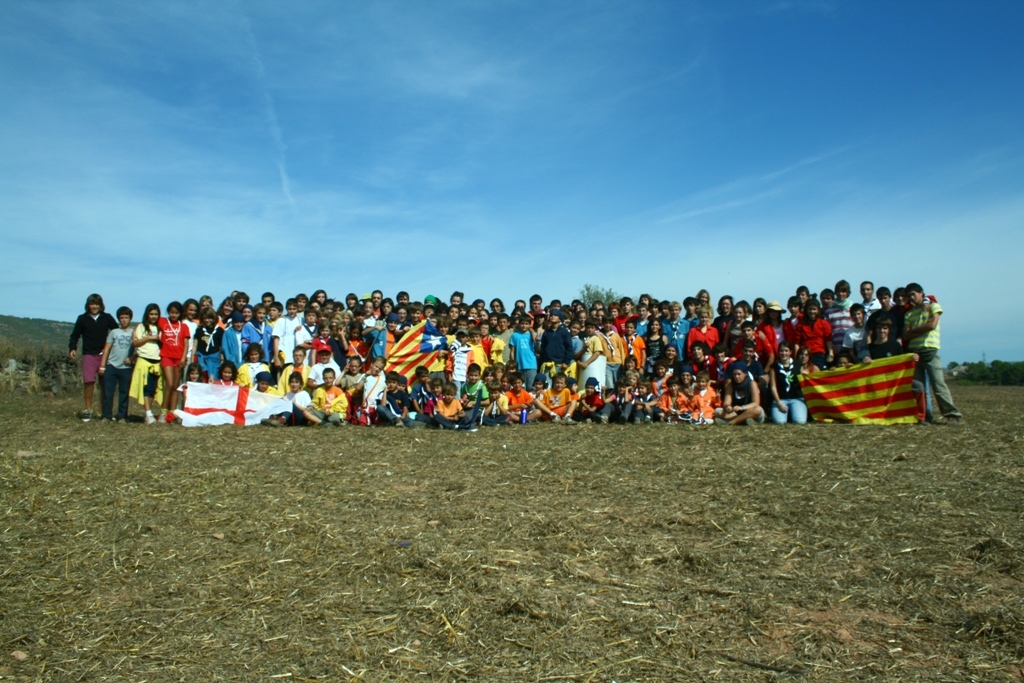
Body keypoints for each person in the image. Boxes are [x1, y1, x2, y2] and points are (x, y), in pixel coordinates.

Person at [902, 283, 962, 423]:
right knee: (919, 388)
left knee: (938, 384)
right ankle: (924, 416)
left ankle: (952, 414)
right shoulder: (909, 313)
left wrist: (914, 330)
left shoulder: (933, 306)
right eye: (909, 295)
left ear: (921, 293)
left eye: (913, 294)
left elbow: (933, 325)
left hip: (930, 351)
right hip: (915, 353)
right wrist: (924, 328)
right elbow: (905, 335)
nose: (911, 297)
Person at [68, 293, 118, 420]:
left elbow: (116, 331)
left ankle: (104, 411)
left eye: (97, 304)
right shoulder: (82, 318)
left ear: (101, 305)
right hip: (88, 354)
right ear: (88, 305)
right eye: (92, 304)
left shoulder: (107, 318)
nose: (94, 306)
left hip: (104, 355)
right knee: (89, 382)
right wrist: (72, 348)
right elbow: (75, 335)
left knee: (105, 383)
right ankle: (88, 409)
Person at [97, 305, 134, 422]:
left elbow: (139, 349)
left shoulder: (134, 332)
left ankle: (122, 416)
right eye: (121, 317)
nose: (124, 320)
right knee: (108, 392)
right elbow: (107, 348)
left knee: (124, 393)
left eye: (126, 317)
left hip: (126, 367)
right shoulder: (114, 332)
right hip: (111, 365)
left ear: (130, 318)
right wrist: (103, 366)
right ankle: (106, 415)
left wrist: (132, 358)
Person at [129, 303, 164, 424]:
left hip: (157, 361)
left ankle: (148, 413)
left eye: (156, 314)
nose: (153, 316)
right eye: (151, 314)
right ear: (147, 314)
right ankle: (148, 413)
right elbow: (135, 343)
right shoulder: (140, 326)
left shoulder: (160, 327)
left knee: (153, 388)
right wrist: (149, 338)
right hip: (144, 360)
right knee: (145, 388)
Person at [715, 361, 765, 425]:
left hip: (750, 411)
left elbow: (756, 403)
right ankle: (743, 420)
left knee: (758, 409)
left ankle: (732, 422)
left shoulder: (752, 383)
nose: (736, 377)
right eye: (734, 374)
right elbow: (727, 402)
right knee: (717, 411)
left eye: (739, 374)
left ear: (745, 374)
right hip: (736, 413)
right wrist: (728, 407)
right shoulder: (731, 385)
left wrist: (742, 407)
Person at [769, 342, 807, 425]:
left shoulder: (798, 364)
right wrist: (778, 402)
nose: (784, 353)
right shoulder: (774, 367)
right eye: (781, 351)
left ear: (790, 352)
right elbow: (773, 387)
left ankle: (792, 412)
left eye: (786, 351)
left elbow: (807, 377)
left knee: (800, 421)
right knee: (779, 422)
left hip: (797, 398)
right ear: (778, 352)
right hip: (781, 399)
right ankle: (787, 414)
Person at [577, 320, 607, 392]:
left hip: (592, 366)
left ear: (595, 329)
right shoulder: (582, 339)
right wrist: (579, 362)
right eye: (588, 327)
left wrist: (586, 363)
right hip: (582, 365)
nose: (590, 330)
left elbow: (597, 353)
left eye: (592, 328)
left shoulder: (595, 339)